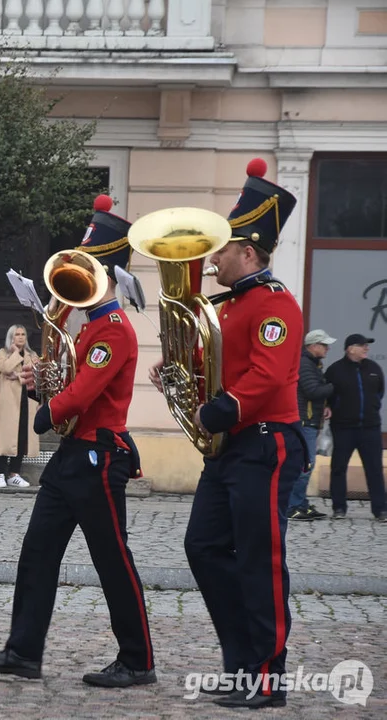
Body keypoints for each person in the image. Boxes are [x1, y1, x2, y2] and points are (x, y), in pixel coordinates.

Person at [0, 194, 155, 690]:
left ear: (108, 272)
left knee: (113, 561)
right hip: (74, 456)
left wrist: (47, 409)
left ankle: (138, 660)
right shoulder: (89, 325)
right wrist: (41, 382)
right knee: (38, 552)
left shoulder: (113, 329)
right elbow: (72, 382)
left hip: (98, 456)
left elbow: (85, 392)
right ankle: (23, 650)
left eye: (91, 266)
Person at [165, 159, 305, 709]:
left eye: (221, 250)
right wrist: (179, 371)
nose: (213, 258)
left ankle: (268, 674)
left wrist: (218, 409)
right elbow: (215, 362)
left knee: (259, 557)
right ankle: (242, 660)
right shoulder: (231, 306)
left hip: (265, 441)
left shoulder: (276, 305)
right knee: (202, 546)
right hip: (233, 446)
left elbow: (267, 376)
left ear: (249, 252)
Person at [325, 333, 386, 521]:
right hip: (343, 428)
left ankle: (381, 510)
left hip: (370, 427)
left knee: (374, 468)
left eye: (367, 345)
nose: (366, 348)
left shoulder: (374, 368)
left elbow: (379, 392)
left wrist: (372, 408)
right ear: (350, 348)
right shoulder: (335, 370)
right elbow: (327, 395)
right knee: (338, 467)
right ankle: (339, 508)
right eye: (362, 345)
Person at [289, 329, 335, 521]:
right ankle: (293, 506)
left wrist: (326, 406)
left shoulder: (313, 364)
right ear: (313, 346)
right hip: (304, 421)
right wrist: (334, 386)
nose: (327, 348)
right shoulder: (305, 364)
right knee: (305, 465)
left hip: (310, 420)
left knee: (305, 464)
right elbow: (312, 391)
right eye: (324, 345)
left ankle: (301, 504)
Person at [0, 324, 39, 488]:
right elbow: (5, 368)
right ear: (11, 337)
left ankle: (14, 473)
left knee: (22, 437)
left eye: (23, 334)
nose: (20, 337)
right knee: (3, 438)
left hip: (27, 400)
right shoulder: (3, 353)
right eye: (17, 334)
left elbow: (36, 375)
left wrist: (17, 376)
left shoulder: (32, 355)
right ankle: (0, 474)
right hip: (8, 402)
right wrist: (16, 354)